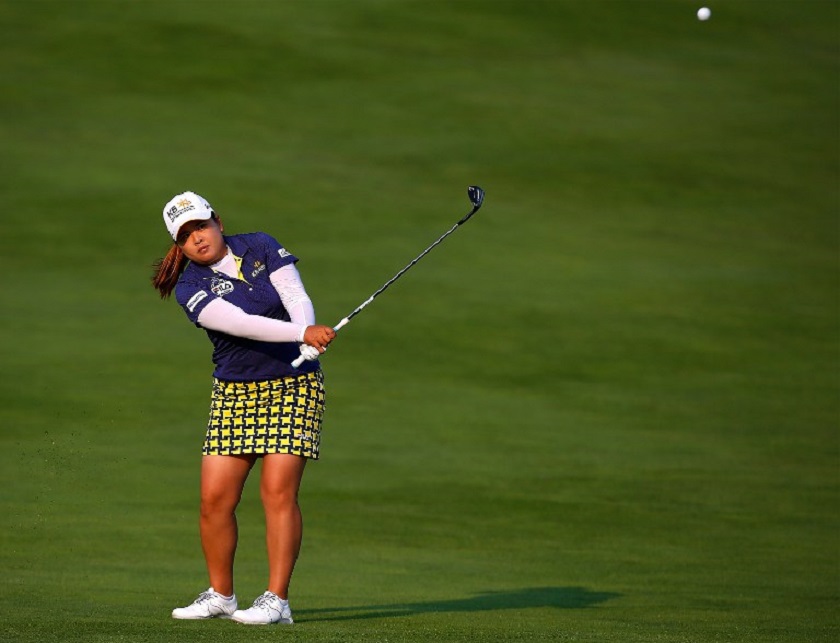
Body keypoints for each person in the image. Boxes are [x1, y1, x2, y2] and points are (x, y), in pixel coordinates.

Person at [151, 191, 336, 625]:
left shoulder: (261, 245)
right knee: (214, 500)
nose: (197, 238)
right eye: (185, 236)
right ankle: (221, 595)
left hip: (293, 386)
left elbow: (294, 294)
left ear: (217, 221)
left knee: (277, 492)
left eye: (200, 226)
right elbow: (241, 324)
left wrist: (305, 335)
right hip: (235, 393)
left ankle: (277, 601)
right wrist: (302, 334)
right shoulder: (190, 288)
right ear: (179, 245)